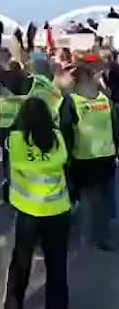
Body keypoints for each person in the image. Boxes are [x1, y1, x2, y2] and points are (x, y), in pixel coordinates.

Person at [4, 97, 70, 309]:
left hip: (29, 212)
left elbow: (5, 148)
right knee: (57, 265)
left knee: (21, 264)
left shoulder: (15, 140)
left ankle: (13, 304)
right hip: (58, 210)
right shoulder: (57, 138)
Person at [66, 61, 118, 250]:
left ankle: (89, 240)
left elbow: (67, 131)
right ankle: (94, 239)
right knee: (96, 201)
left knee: (93, 201)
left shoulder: (75, 101)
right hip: (98, 158)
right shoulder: (101, 100)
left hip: (90, 158)